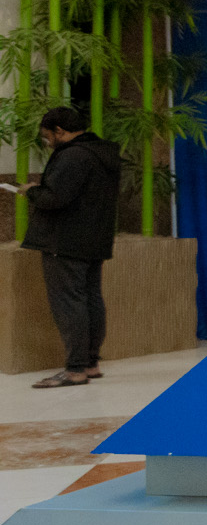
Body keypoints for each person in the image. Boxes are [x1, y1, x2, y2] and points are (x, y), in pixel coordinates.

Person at [20, 108, 123, 390]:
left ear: (59, 131)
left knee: (69, 304)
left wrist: (30, 191)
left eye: (47, 137)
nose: (47, 142)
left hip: (64, 241)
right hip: (93, 239)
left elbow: (55, 198)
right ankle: (90, 363)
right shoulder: (102, 153)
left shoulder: (72, 156)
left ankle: (75, 369)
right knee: (90, 300)